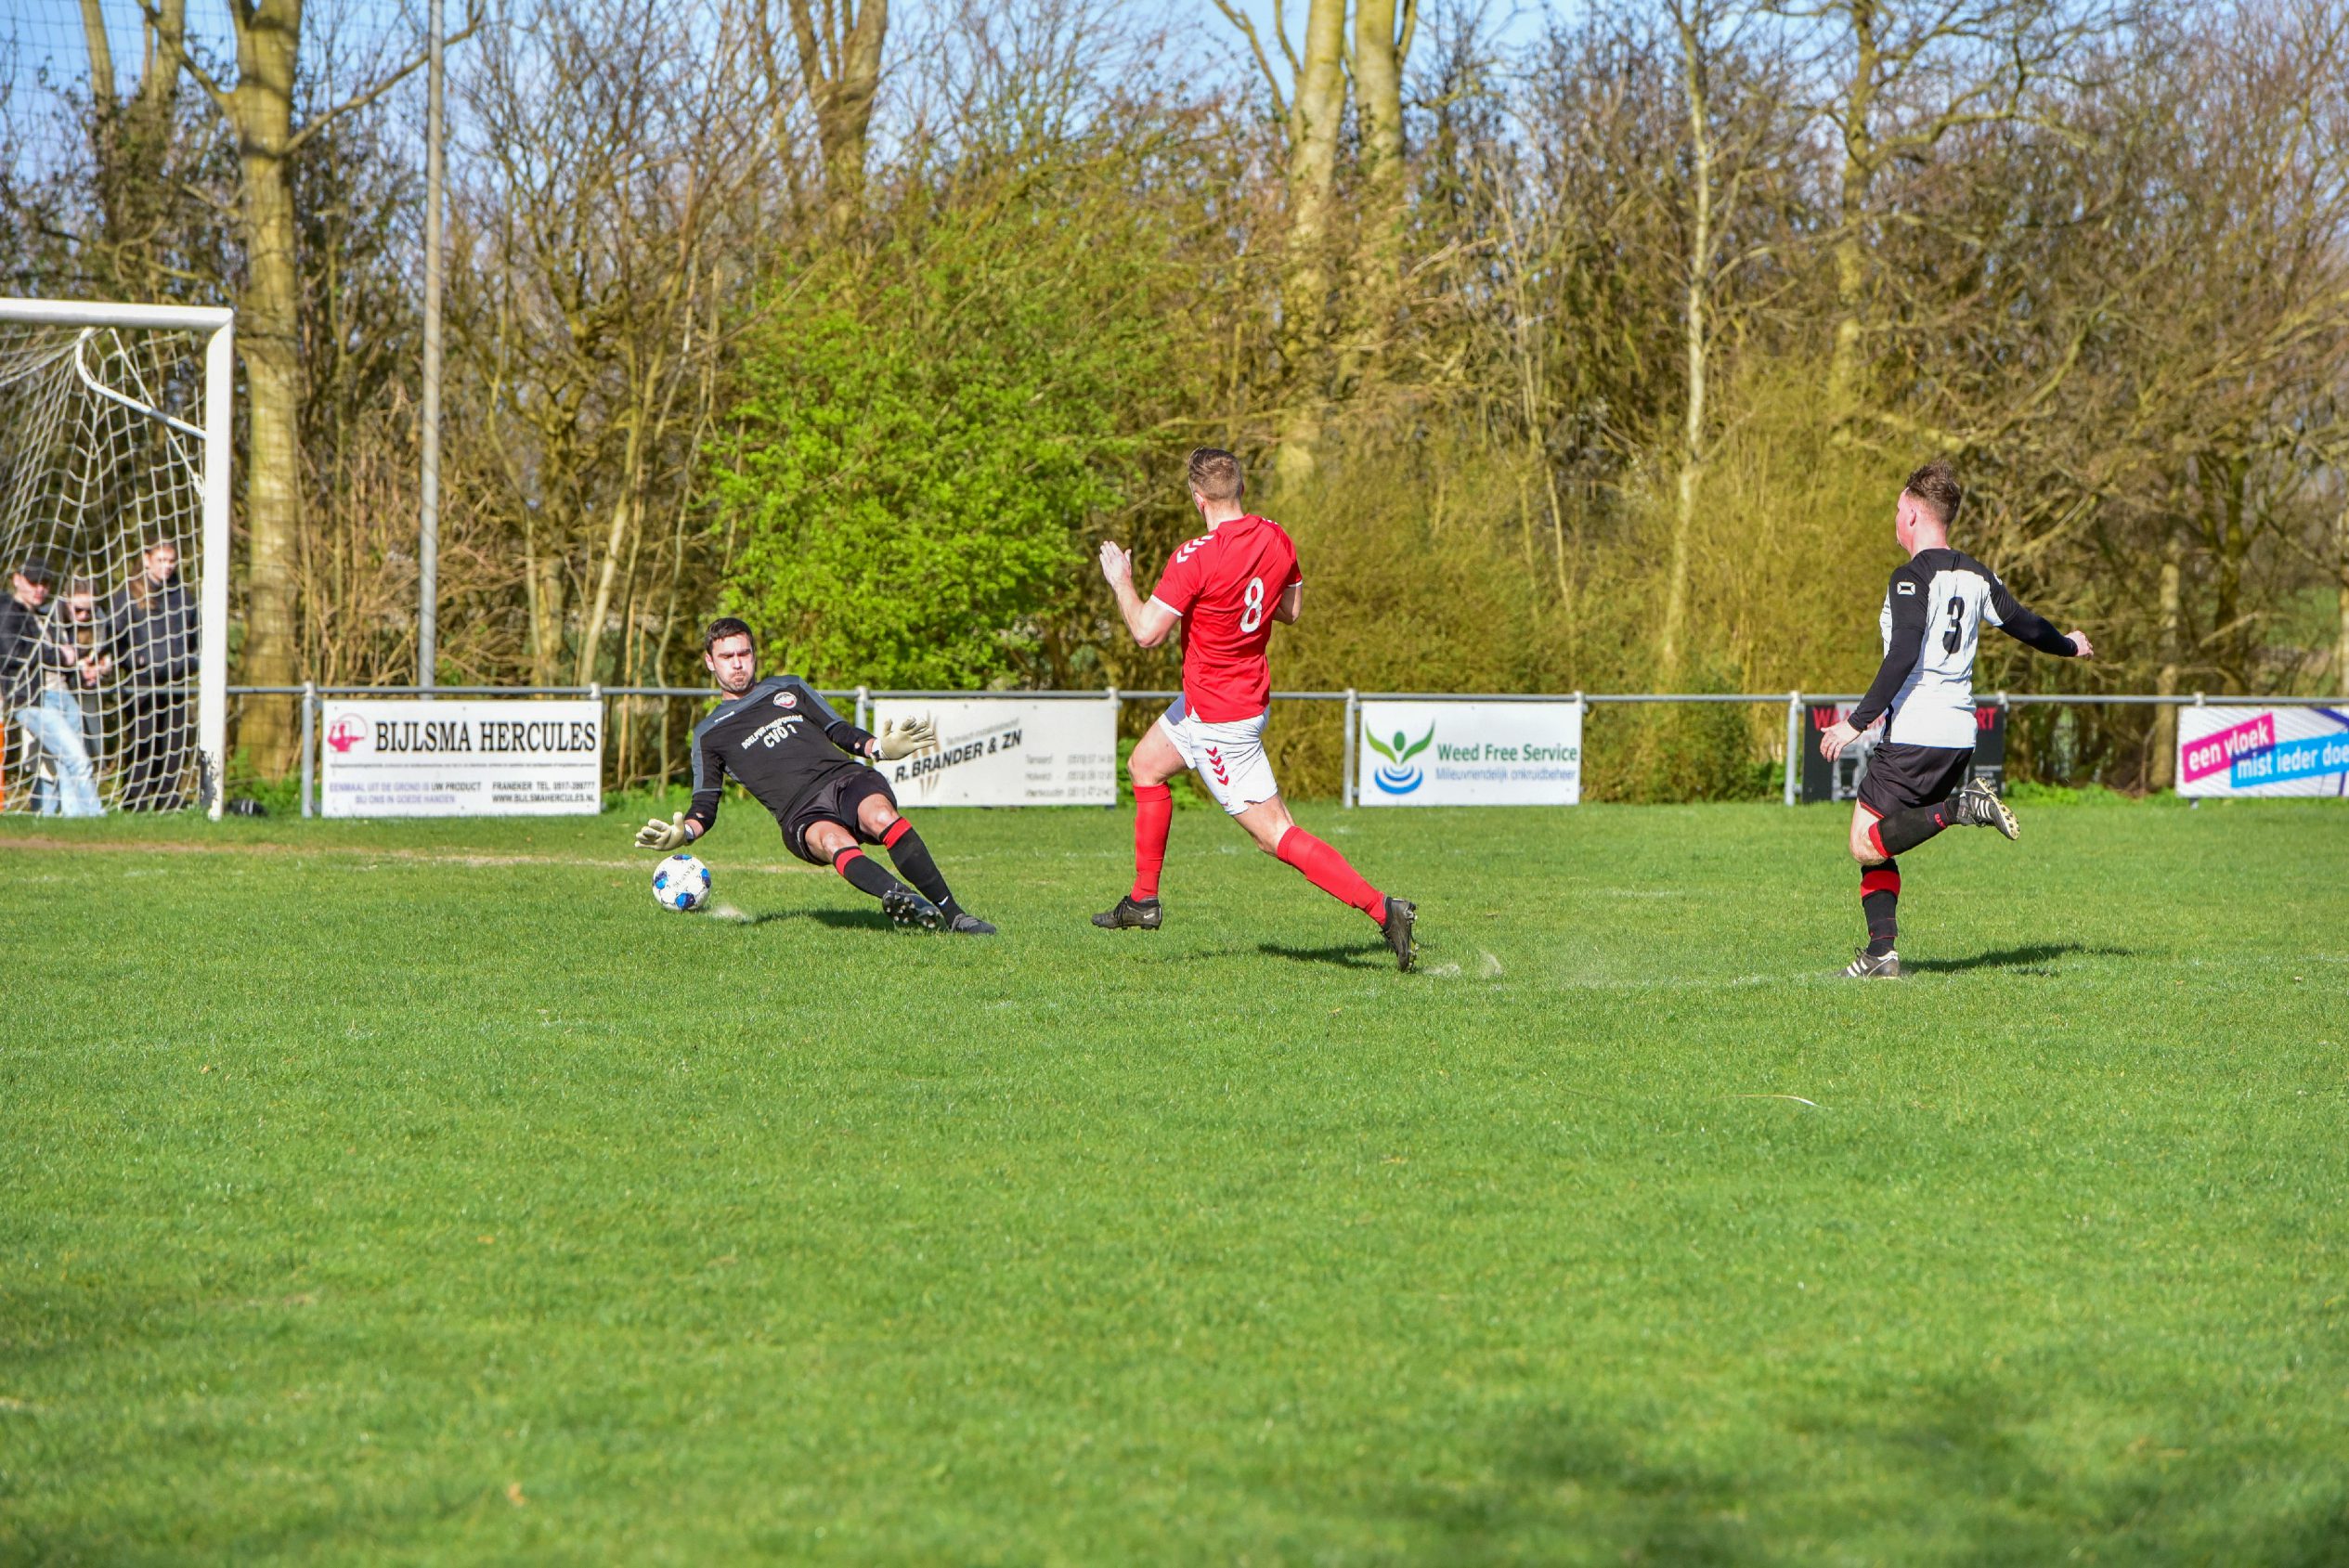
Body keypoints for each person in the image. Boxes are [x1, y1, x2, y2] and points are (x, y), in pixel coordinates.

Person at [1093, 447, 1418, 971]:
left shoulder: (1194, 556)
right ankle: (1143, 901)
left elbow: (1146, 633)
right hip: (1223, 700)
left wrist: (1121, 582)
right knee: (1145, 765)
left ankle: (1385, 910)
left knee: (1276, 835)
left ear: (1198, 498)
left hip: (1219, 720)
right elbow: (1291, 610)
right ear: (1241, 488)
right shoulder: (1276, 536)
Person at [1817, 460, 2094, 977]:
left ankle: (1960, 808)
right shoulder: (1978, 575)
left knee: (1863, 842)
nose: (1895, 519)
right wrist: (2068, 645)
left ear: (1914, 515)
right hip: (1959, 736)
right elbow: (2026, 624)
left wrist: (1856, 722)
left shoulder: (1910, 578)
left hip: (1916, 732)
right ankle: (1880, 954)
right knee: (1879, 838)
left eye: (1898, 509)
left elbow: (1903, 653)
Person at [633, 617, 997, 935]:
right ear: (710, 662)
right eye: (727, 657)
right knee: (832, 840)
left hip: (843, 780)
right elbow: (706, 803)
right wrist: (684, 833)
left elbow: (838, 729)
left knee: (880, 816)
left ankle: (954, 915)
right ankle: (902, 898)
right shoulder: (709, 733)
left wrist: (879, 748)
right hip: (799, 812)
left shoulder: (788, 688)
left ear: (755, 655)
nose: (738, 664)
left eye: (744, 653)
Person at [1, 556, 103, 817]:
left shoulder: (42, 615)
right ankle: (95, 818)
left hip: (61, 694)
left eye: (45, 583)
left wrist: (81, 665)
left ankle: (69, 821)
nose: (39, 589)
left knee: (63, 766)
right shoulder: (8, 611)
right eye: (33, 582)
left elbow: (62, 655)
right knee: (76, 760)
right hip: (34, 699)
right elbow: (14, 653)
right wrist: (59, 655)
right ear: (17, 580)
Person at [104, 535, 199, 811]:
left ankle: (167, 799)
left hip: (176, 681)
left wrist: (189, 662)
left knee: (174, 741)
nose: (166, 566)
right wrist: (135, 660)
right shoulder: (128, 596)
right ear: (147, 560)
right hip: (142, 682)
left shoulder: (184, 598)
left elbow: (197, 638)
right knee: (143, 739)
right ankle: (135, 799)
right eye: (161, 560)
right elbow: (113, 639)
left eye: (171, 561)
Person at [28, 573, 109, 816]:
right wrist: (74, 666)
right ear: (65, 600)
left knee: (79, 758)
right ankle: (45, 815)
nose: (84, 615)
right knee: (48, 763)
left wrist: (101, 668)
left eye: (89, 610)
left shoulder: (100, 622)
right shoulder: (46, 619)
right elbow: (41, 658)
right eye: (78, 609)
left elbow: (105, 655)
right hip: (47, 694)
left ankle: (74, 816)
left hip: (82, 698)